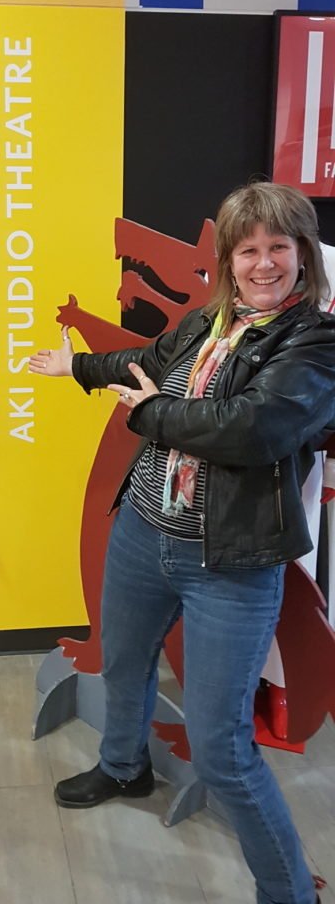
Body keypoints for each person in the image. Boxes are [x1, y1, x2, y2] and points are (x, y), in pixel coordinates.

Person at [30, 182, 335, 904]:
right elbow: (144, 360)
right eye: (247, 250)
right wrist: (75, 366)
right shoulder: (208, 321)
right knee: (125, 664)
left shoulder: (317, 341)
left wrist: (155, 415)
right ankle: (123, 765)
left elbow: (254, 427)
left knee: (223, 745)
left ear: (301, 256)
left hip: (230, 563)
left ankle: (289, 892)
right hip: (145, 530)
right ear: (228, 261)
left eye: (277, 248)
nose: (262, 264)